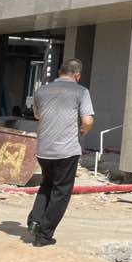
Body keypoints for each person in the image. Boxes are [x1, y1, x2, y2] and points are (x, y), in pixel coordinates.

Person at [27, 58, 95, 247]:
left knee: (47, 185)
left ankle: (35, 221)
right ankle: (44, 236)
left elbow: (37, 115)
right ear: (78, 75)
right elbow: (88, 121)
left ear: (59, 72)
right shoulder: (81, 91)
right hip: (66, 151)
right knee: (61, 192)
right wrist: (84, 131)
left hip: (44, 150)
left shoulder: (41, 90)